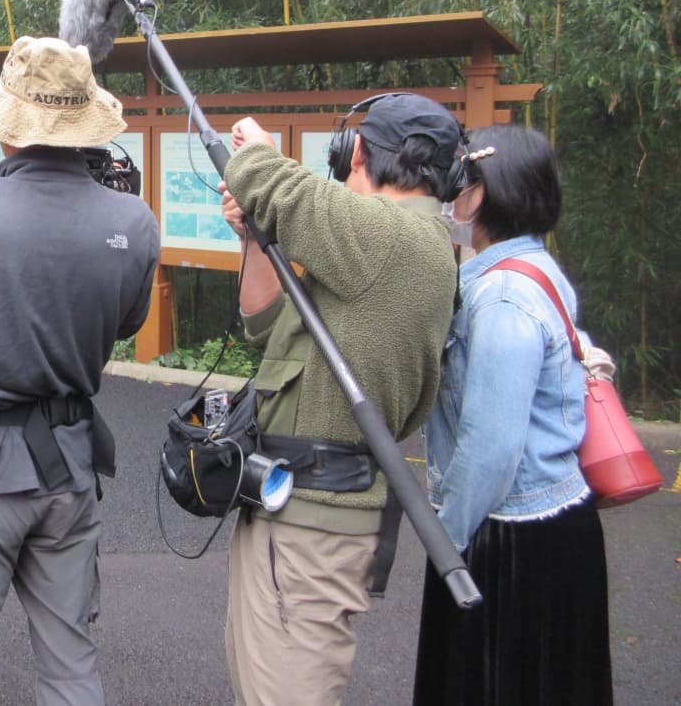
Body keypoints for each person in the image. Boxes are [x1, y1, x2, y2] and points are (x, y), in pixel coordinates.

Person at [0, 36, 160, 705]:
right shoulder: (132, 222)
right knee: (71, 665)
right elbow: (127, 324)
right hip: (69, 469)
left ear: (6, 129)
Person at [218, 92, 462, 706]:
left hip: (312, 519)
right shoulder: (387, 246)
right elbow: (264, 324)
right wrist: (254, 237)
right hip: (287, 504)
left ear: (359, 154)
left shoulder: (392, 237)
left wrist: (256, 151)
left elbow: (275, 183)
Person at [413, 125, 612, 705]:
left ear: (485, 191)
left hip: (512, 537)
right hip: (555, 524)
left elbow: (491, 446)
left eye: (461, 178)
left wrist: (445, 543)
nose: (452, 192)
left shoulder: (500, 295)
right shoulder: (536, 269)